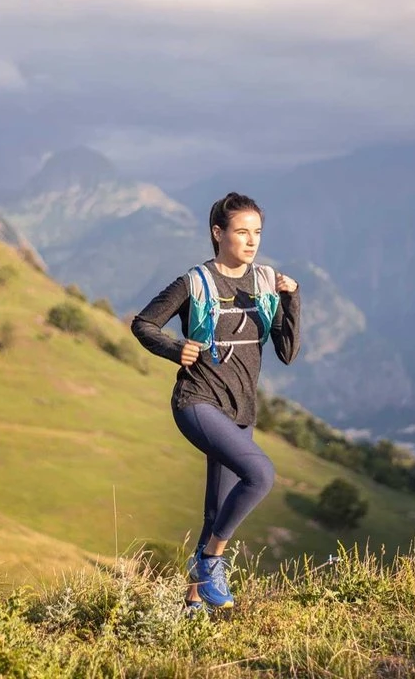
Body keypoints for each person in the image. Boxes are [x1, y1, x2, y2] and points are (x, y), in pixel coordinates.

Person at [131, 192, 301, 610]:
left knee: (217, 511)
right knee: (260, 474)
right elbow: (143, 324)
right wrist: (176, 349)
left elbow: (287, 351)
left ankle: (192, 605)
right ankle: (209, 563)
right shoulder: (195, 282)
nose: (252, 240)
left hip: (241, 410)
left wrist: (292, 298)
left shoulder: (265, 282)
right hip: (197, 401)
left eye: (257, 232)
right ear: (218, 233)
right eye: (242, 231)